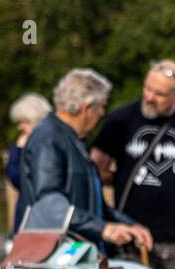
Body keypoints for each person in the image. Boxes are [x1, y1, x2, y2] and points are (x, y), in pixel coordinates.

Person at [91, 60, 175, 269]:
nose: (149, 97)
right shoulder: (121, 120)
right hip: (131, 240)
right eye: (147, 88)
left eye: (159, 94)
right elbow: (94, 168)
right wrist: (120, 181)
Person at [21, 68, 152, 253]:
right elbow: (50, 205)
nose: (101, 113)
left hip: (77, 253)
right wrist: (104, 229)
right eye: (101, 107)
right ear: (86, 108)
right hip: (56, 256)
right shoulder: (48, 139)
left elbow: (94, 205)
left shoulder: (72, 142)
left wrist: (130, 226)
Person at [5, 93, 52, 235]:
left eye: (23, 122)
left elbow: (18, 178)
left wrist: (17, 151)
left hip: (36, 222)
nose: (19, 127)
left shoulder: (41, 147)